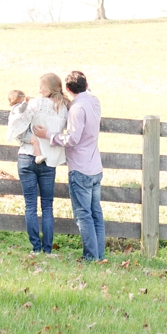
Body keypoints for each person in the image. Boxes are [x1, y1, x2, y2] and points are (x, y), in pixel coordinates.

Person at [37, 69, 103, 261]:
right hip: (95, 165)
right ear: (86, 84)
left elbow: (72, 139)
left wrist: (48, 135)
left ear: (67, 88)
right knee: (96, 213)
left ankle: (91, 256)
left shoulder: (76, 109)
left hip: (80, 168)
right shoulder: (94, 102)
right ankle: (99, 254)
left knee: (83, 215)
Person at [8, 73, 70, 254]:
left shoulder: (36, 103)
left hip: (28, 157)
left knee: (30, 205)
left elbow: (18, 122)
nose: (39, 90)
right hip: (49, 160)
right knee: (48, 206)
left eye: (42, 86)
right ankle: (47, 249)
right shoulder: (65, 108)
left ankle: (35, 248)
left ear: (50, 88)